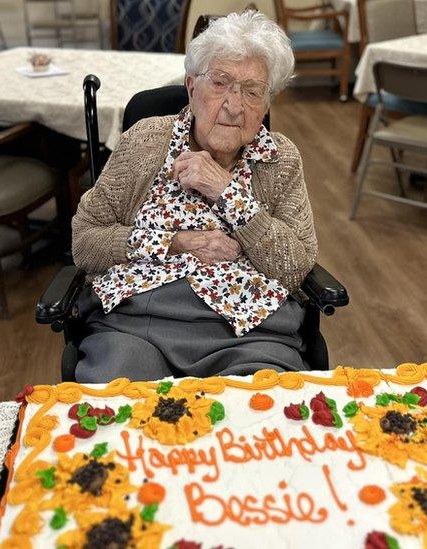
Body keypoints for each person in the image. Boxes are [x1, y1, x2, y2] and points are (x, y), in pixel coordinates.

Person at [71, 11, 317, 382]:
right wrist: (177, 242)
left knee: (264, 420)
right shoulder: (145, 141)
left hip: (252, 335)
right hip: (140, 325)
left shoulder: (280, 160)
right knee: (117, 416)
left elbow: (296, 265)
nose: (235, 106)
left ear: (266, 104)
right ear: (191, 87)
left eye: (252, 91)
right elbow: (85, 242)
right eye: (220, 83)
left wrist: (228, 192)